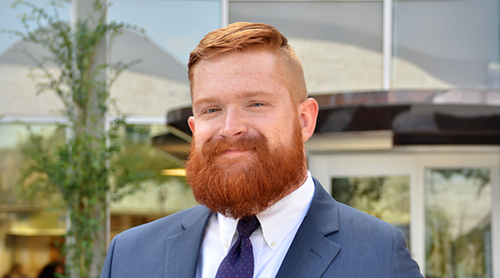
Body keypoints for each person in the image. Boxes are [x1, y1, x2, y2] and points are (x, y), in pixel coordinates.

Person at [100, 22, 424, 278]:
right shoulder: (130, 255)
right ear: (195, 130)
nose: (230, 128)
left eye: (255, 103)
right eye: (211, 110)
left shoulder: (379, 256)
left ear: (304, 120)